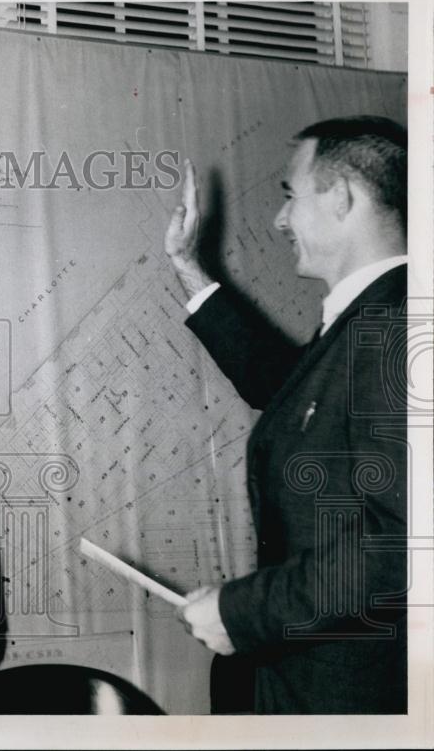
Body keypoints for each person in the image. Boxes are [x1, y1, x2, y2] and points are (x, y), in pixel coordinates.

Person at [166, 116, 408, 713]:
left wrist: (241, 610)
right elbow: (294, 396)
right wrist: (190, 269)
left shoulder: (399, 328)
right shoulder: (371, 319)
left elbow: (406, 541)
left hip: (354, 700)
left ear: (342, 197)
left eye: (290, 197)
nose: (280, 220)